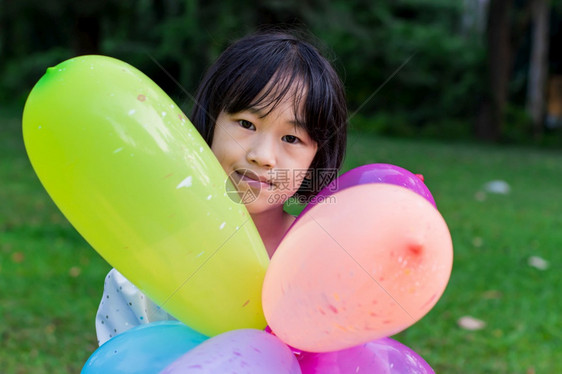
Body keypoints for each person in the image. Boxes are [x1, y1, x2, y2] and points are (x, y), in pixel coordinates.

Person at [95, 30, 348, 345]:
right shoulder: (145, 269)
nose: (262, 156)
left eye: (291, 139)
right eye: (246, 124)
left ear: (316, 158)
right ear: (210, 122)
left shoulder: (325, 264)